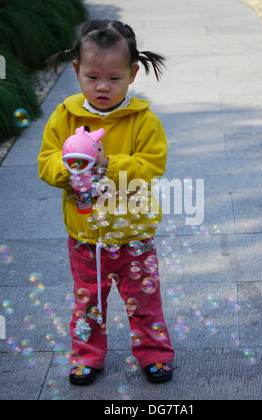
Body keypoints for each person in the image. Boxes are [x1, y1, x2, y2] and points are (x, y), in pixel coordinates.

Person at [38, 19, 175, 386]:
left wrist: (108, 164)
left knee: (144, 302)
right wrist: (67, 168)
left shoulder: (142, 120)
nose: (102, 86)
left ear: (132, 74)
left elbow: (151, 165)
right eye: (92, 76)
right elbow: (46, 162)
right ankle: (86, 356)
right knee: (88, 304)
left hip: (133, 235)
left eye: (114, 78)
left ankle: (155, 354)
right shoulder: (66, 116)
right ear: (76, 71)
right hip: (86, 236)